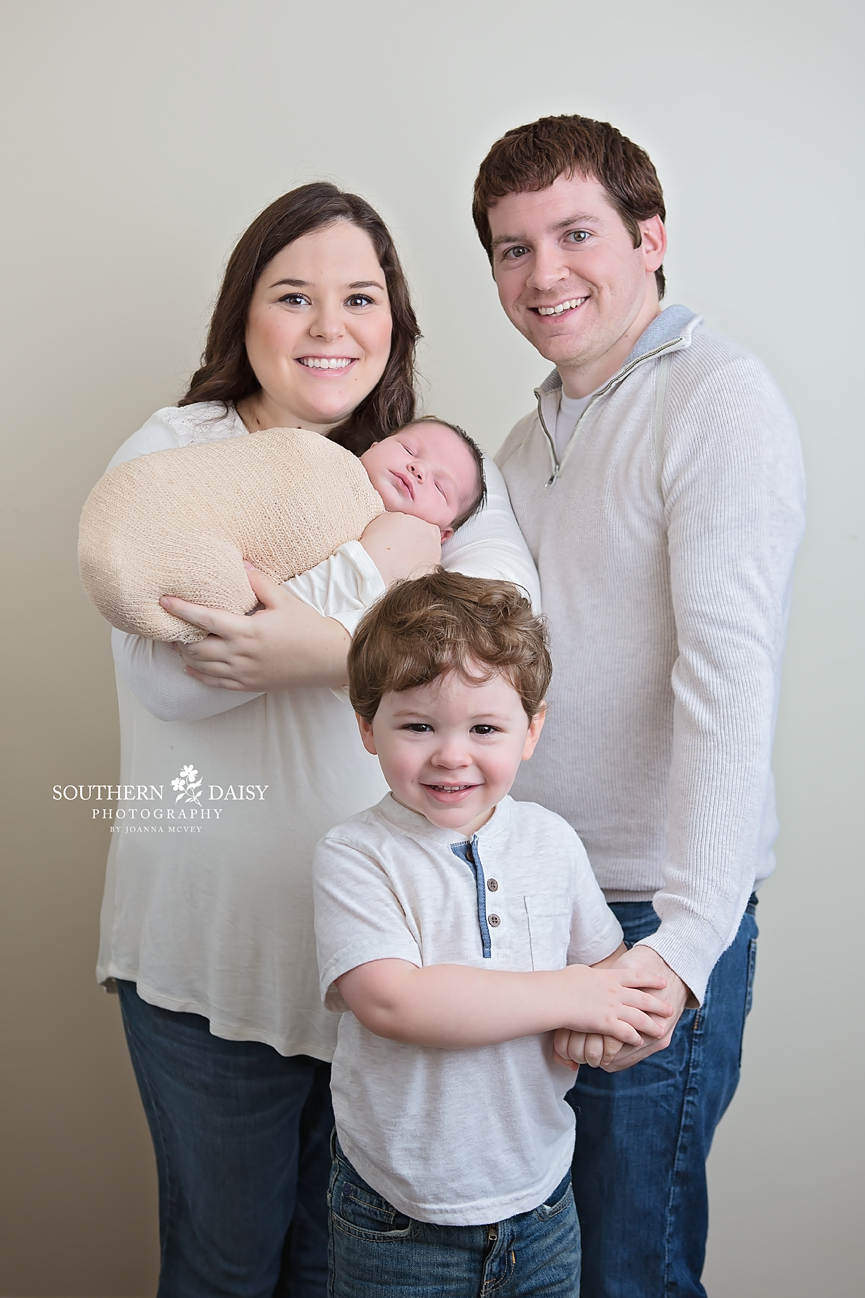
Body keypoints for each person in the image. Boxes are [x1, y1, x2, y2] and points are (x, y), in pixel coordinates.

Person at [97, 181, 540, 1298]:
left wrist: (306, 646)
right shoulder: (177, 449)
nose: (330, 327)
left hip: (388, 971)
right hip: (211, 960)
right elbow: (180, 683)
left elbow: (497, 650)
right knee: (225, 1267)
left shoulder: (426, 461)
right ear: (245, 313)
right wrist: (388, 561)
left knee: (341, 1275)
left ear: (395, 321)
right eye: (294, 295)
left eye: (360, 296)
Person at [471, 115, 806, 1297]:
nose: (543, 272)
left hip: (645, 913)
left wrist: (687, 938)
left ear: (650, 237)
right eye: (512, 249)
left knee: (631, 1270)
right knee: (530, 1264)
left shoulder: (716, 398)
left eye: (574, 234)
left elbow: (728, 674)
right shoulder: (525, 438)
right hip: (529, 892)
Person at [313, 571, 673, 1298]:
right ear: (365, 727)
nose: (451, 755)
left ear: (530, 731)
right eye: (418, 726)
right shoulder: (355, 855)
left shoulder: (552, 841)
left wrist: (618, 1027)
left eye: (484, 728)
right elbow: (395, 1004)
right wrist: (570, 996)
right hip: (399, 1220)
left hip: (541, 1205)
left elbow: (607, 976)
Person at [79, 416, 486, 642]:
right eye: (410, 449)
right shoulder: (313, 456)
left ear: (444, 534)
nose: (418, 469)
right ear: (374, 446)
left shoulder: (419, 568)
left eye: (439, 485)